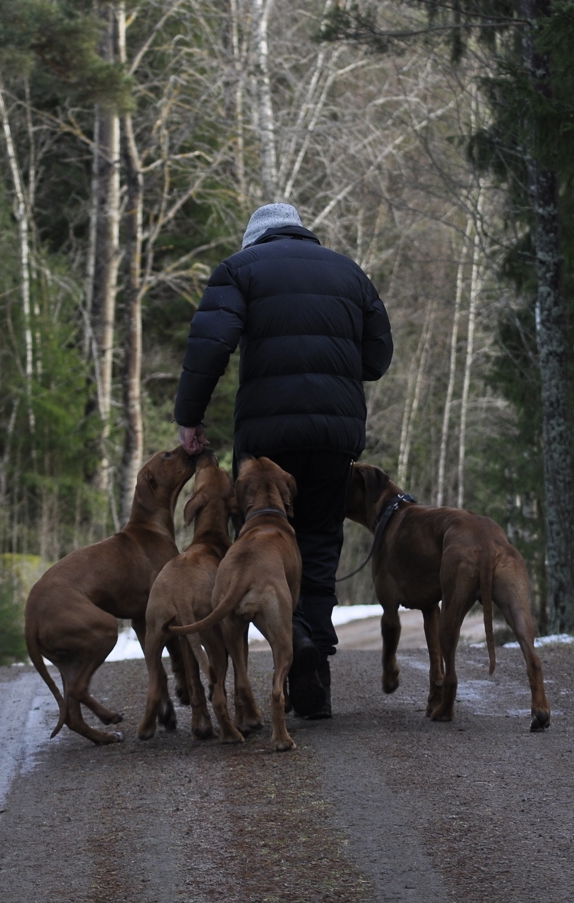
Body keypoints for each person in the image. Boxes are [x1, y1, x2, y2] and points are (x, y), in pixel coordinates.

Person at [173, 203, 392, 719]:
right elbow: (377, 360)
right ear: (300, 231)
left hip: (267, 436)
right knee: (317, 541)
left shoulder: (237, 270)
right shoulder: (349, 272)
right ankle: (314, 666)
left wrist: (190, 416)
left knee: (257, 539)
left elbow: (211, 345)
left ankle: (290, 635)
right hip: (335, 434)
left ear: (254, 240)